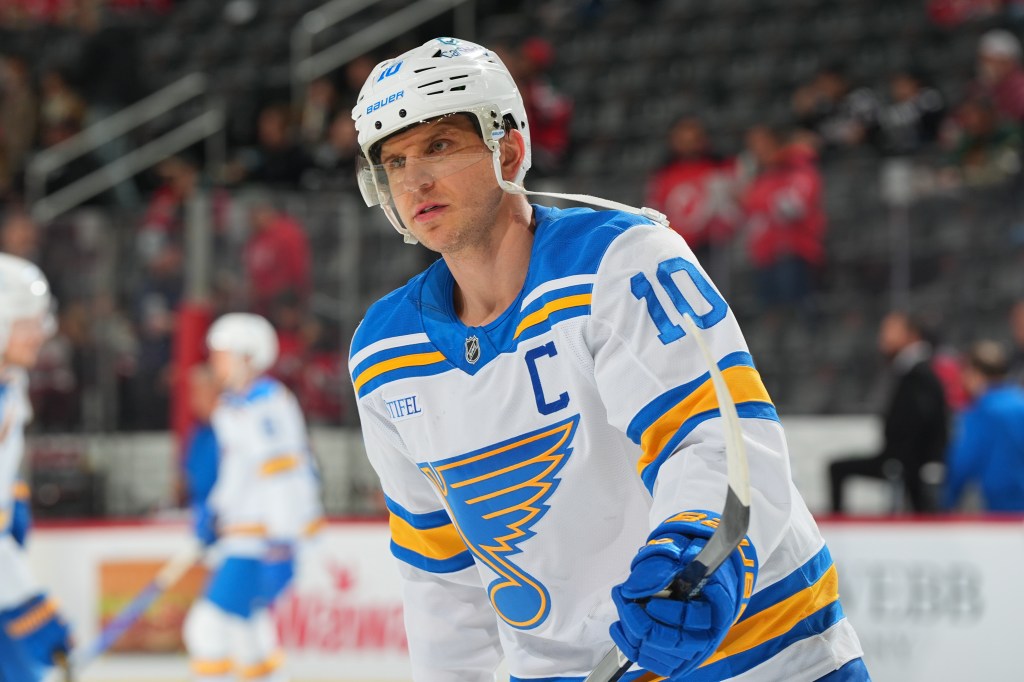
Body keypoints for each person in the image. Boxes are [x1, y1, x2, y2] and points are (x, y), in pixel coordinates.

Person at [349, 37, 866, 681]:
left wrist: (694, 558)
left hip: (758, 654)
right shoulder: (382, 353)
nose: (416, 180)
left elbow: (720, 441)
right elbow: (440, 573)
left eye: (439, 146)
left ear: (508, 147)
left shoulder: (623, 260)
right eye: (394, 162)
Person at [183, 313, 322, 682]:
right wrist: (214, 514)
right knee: (248, 630)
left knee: (206, 628)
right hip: (243, 533)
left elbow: (284, 475)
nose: (214, 363)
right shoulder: (234, 406)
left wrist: (283, 539)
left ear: (247, 355)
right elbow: (237, 474)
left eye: (221, 354)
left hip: (261, 538)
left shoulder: (266, 404)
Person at [0, 254, 74, 681]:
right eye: (28, 323)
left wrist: (12, 495)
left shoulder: (12, 380)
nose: (42, 334)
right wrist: (32, 609)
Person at [829, 312, 950, 514]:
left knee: (837, 469)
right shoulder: (908, 369)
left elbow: (920, 422)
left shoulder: (919, 372)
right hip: (903, 458)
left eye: (890, 331)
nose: (883, 337)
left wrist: (900, 459)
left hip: (908, 461)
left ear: (911, 335)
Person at [943, 341, 1024, 512]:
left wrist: (948, 500)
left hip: (999, 504)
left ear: (974, 373)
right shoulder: (1020, 403)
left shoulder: (981, 411)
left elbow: (963, 462)